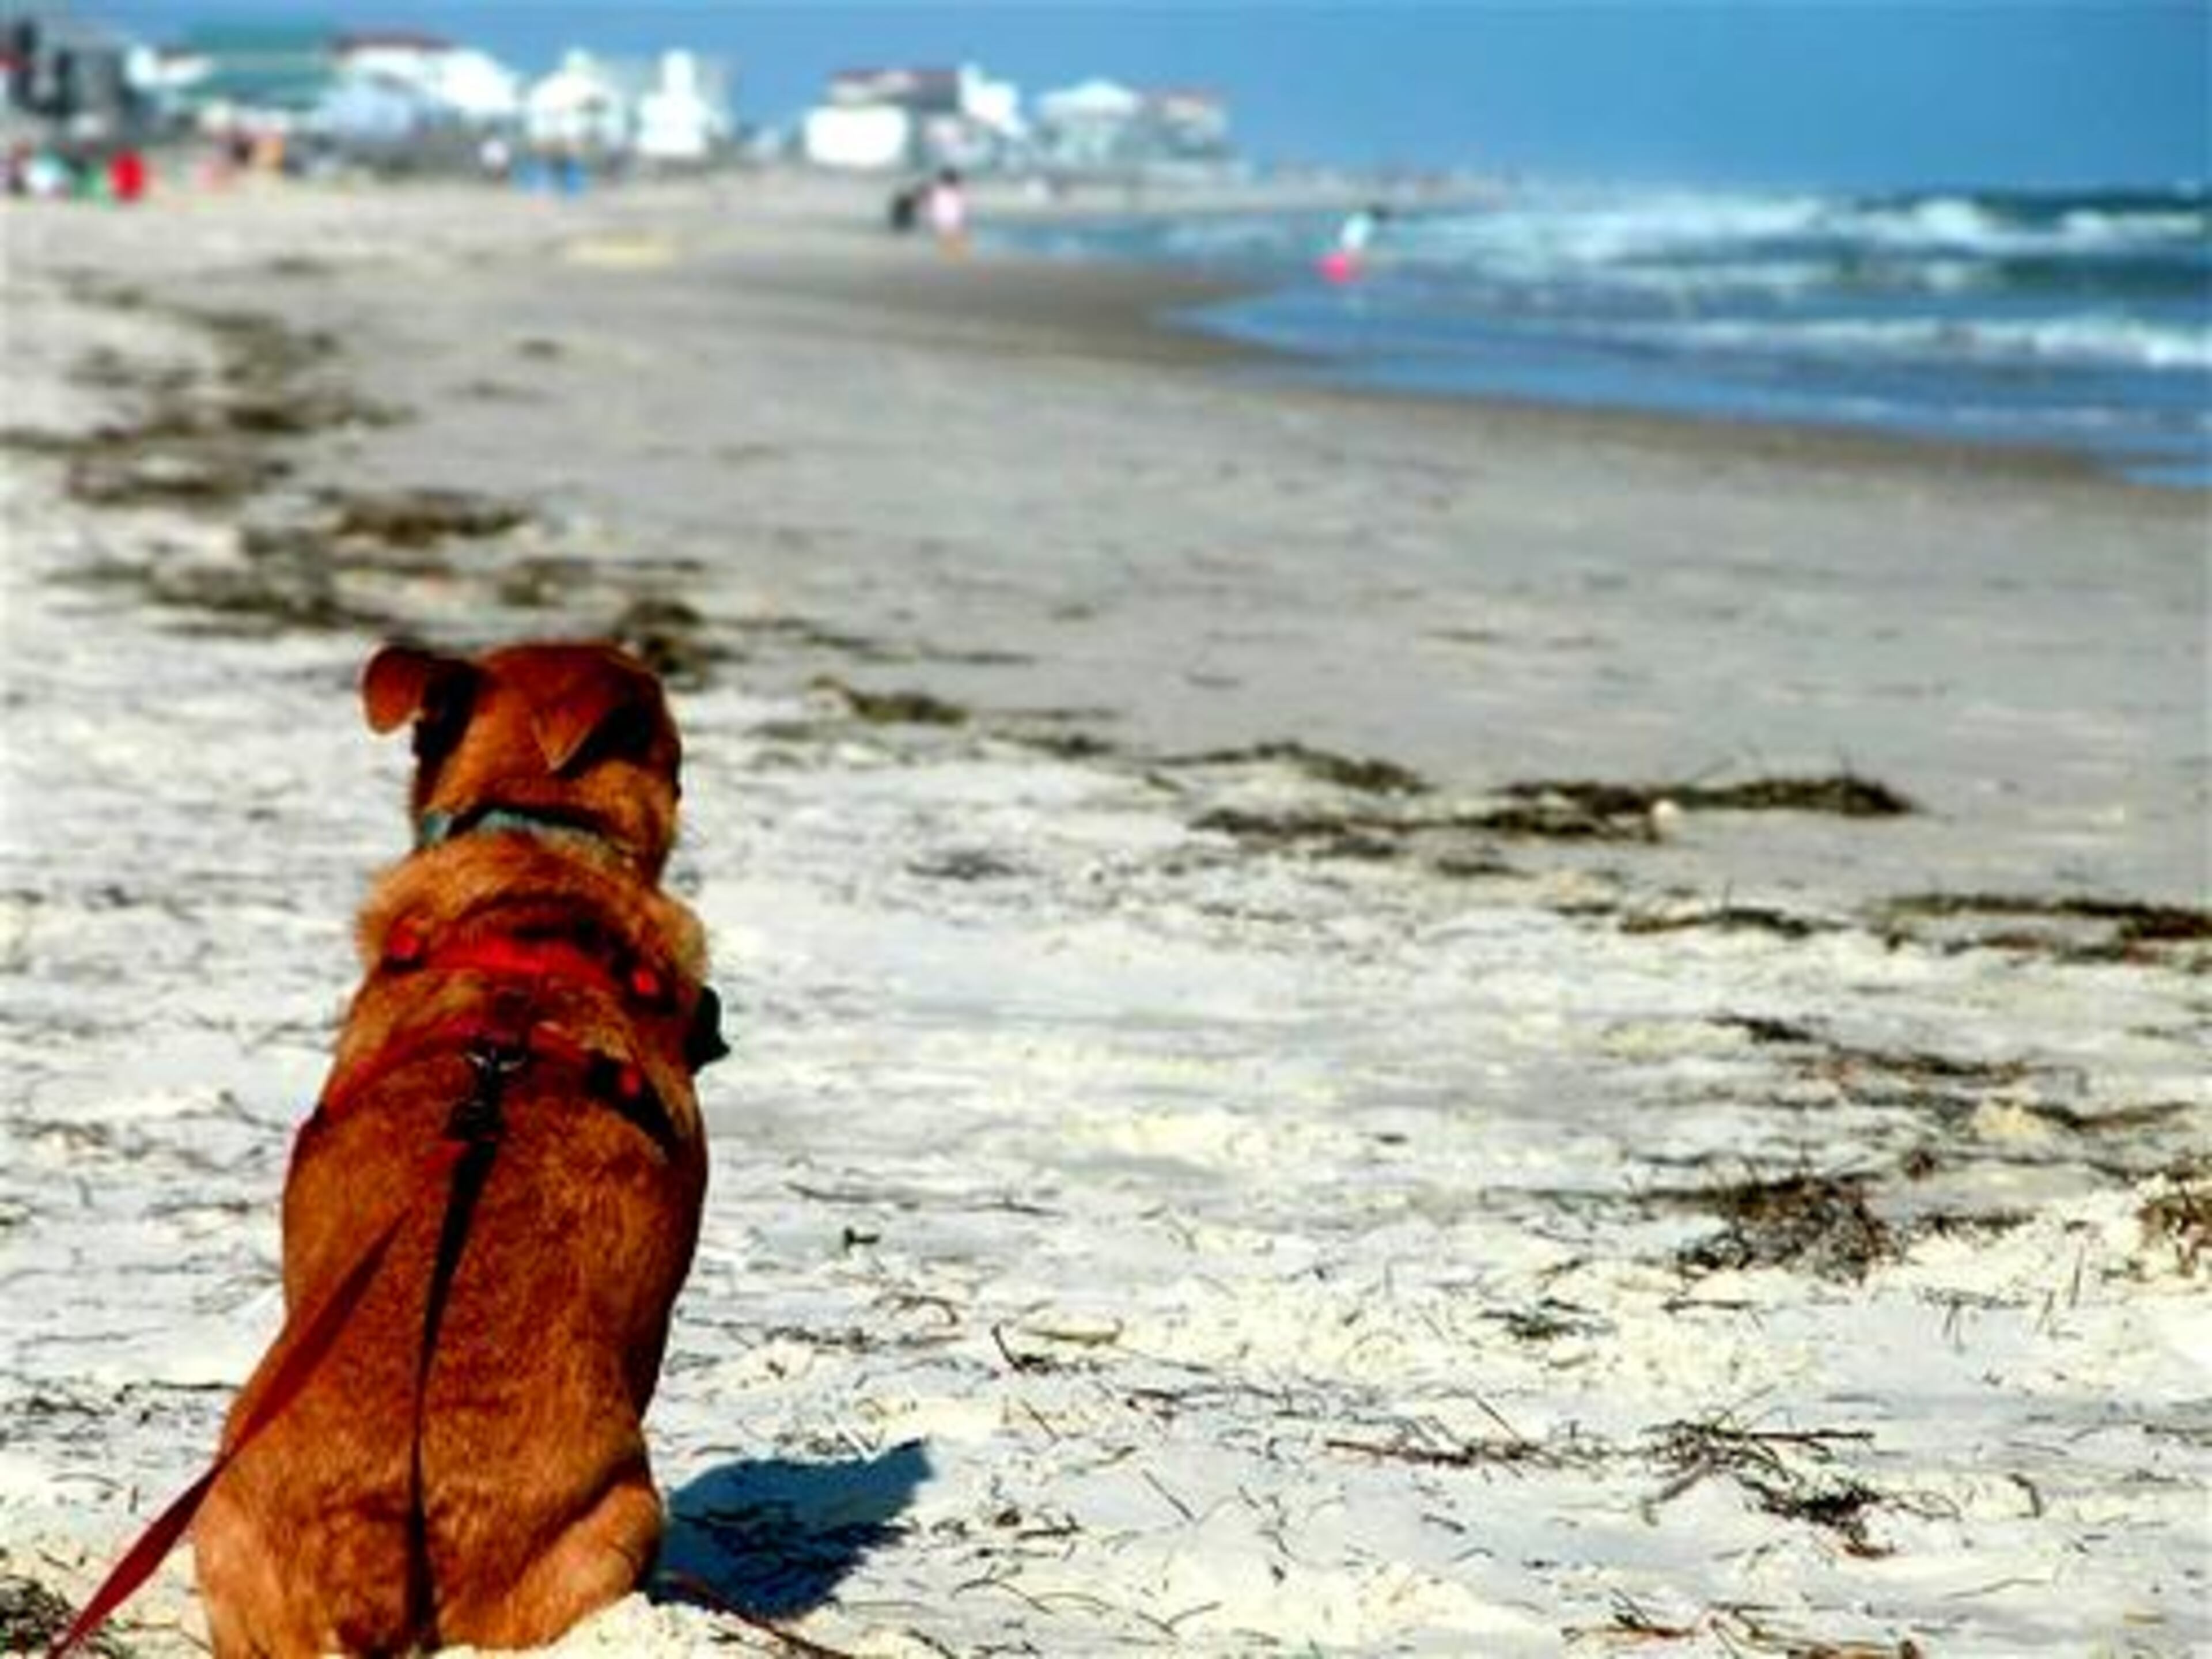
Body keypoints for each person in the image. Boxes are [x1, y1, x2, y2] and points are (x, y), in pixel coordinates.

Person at [926, 166, 968, 254]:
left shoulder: (937, 190)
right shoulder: (960, 190)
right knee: (954, 242)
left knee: (948, 239)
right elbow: (964, 206)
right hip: (954, 221)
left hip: (942, 221)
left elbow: (931, 206)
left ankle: (951, 251)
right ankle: (954, 252)